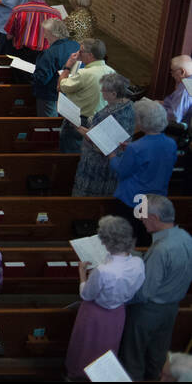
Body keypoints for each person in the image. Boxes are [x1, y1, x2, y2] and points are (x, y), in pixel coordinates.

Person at [119, 195, 192, 380]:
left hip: (148, 311)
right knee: (157, 358)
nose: (141, 219)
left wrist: (119, 297)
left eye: (143, 215)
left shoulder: (161, 249)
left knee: (132, 359)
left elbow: (144, 292)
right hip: (171, 308)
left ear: (154, 218)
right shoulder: (185, 237)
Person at [65, 214, 145, 379]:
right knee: (107, 348)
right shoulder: (138, 262)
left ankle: (78, 376)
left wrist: (82, 274)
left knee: (85, 348)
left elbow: (86, 294)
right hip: (117, 313)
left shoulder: (103, 271)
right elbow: (135, 287)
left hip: (94, 313)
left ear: (106, 242)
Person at [107, 99, 177, 247]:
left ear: (142, 121)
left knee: (127, 239)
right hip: (157, 199)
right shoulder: (171, 143)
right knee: (145, 240)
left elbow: (121, 170)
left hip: (133, 200)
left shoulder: (137, 148)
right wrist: (132, 148)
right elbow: (154, 156)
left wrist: (112, 155)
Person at [73, 72, 134, 197]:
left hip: (98, 163)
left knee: (90, 196)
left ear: (113, 94)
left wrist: (78, 128)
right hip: (117, 158)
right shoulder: (129, 106)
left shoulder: (108, 114)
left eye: (104, 90)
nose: (101, 91)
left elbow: (96, 140)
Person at [57, 38, 115, 153]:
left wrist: (68, 66)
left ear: (90, 55)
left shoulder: (85, 73)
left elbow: (61, 86)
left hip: (79, 121)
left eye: (81, 51)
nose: (78, 54)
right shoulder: (112, 72)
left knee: (69, 155)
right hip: (101, 121)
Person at [6, 0, 59, 65]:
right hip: (45, 57)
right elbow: (57, 40)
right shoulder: (55, 14)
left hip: (22, 55)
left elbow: (9, 36)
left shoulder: (18, 10)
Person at [32, 18, 78, 117]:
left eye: (45, 33)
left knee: (49, 127)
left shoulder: (49, 53)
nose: (44, 36)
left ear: (53, 34)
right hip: (72, 94)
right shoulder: (76, 46)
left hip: (51, 96)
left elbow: (42, 79)